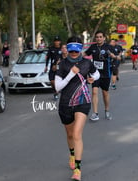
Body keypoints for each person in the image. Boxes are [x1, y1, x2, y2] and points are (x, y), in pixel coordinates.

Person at [55, 36, 99, 181]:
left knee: (76, 134)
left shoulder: (87, 62)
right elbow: (57, 87)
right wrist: (70, 75)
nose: (73, 54)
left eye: (76, 51)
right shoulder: (62, 65)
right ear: (67, 49)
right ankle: (72, 154)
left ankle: (78, 170)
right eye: (71, 51)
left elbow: (96, 73)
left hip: (83, 101)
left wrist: (93, 78)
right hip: (65, 103)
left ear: (80, 50)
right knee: (69, 135)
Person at [85, 31, 117, 121]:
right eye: (97, 37)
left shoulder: (108, 47)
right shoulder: (93, 47)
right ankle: (95, 113)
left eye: (100, 37)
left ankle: (107, 110)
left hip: (105, 74)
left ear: (104, 38)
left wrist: (112, 55)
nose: (98, 38)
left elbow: (117, 57)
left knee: (105, 93)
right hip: (95, 74)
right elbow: (84, 54)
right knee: (94, 92)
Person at [44, 36, 62, 100]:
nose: (57, 42)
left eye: (58, 41)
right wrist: (46, 66)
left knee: (58, 80)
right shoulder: (51, 49)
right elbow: (47, 58)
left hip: (60, 67)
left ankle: (57, 92)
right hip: (52, 67)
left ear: (60, 42)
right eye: (55, 41)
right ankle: (55, 91)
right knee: (52, 81)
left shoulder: (62, 49)